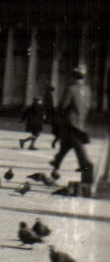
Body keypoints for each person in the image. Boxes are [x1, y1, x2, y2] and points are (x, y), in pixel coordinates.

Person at [50, 63, 94, 192]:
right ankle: (55, 166)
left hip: (70, 125)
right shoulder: (87, 90)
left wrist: (57, 119)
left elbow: (63, 106)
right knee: (65, 146)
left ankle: (87, 178)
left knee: (81, 154)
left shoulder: (70, 89)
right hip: (80, 124)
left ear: (73, 76)